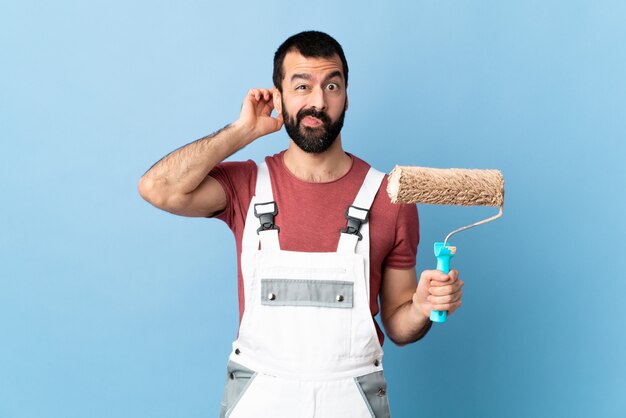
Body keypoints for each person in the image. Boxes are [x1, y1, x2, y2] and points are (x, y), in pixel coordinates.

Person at [138, 30, 463, 418]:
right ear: (278, 96)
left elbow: (398, 323)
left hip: (353, 401)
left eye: (332, 85)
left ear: (346, 96)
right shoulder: (246, 186)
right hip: (259, 398)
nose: (318, 101)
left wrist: (423, 307)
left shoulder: (389, 198)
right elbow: (157, 188)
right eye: (302, 86)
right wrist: (243, 131)